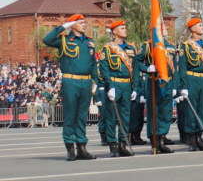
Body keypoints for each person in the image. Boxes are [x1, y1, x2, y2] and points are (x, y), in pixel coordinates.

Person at [43, 14, 97, 161]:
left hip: (86, 82)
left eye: (84, 22)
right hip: (71, 81)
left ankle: (82, 148)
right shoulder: (64, 40)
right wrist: (63, 27)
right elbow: (46, 40)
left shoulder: (89, 42)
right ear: (72, 25)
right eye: (80, 23)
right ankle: (70, 148)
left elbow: (93, 64)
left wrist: (96, 82)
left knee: (82, 117)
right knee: (70, 116)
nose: (84, 25)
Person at [98, 20, 137, 157]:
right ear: (114, 31)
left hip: (127, 84)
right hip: (114, 84)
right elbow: (104, 68)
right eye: (122, 28)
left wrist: (136, 88)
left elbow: (135, 69)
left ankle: (122, 143)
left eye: (125, 28)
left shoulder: (131, 49)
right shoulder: (107, 49)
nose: (125, 30)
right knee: (111, 116)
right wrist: (109, 86)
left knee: (125, 116)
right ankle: (113, 144)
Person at [177, 18, 203, 151]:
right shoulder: (186, 46)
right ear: (192, 29)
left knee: (202, 110)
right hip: (191, 79)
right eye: (200, 25)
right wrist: (184, 86)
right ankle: (191, 139)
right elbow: (182, 68)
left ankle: (199, 137)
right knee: (191, 111)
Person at [137, 39, 178, 154]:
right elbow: (138, 61)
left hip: (167, 82)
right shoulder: (148, 45)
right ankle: (154, 141)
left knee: (166, 112)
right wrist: (147, 69)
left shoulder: (171, 47)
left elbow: (175, 67)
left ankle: (162, 139)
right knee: (153, 112)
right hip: (153, 82)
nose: (163, 27)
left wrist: (175, 86)